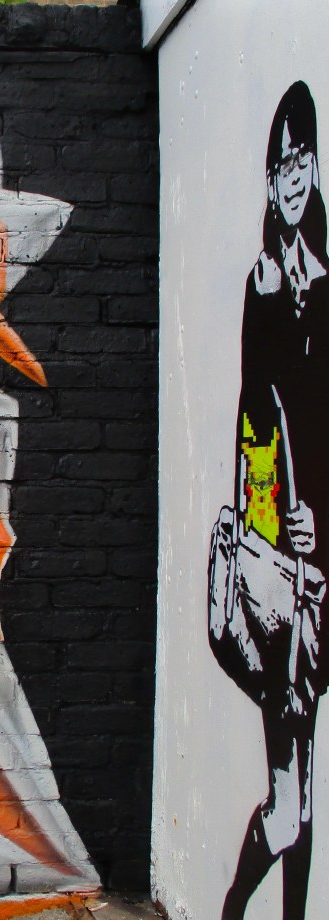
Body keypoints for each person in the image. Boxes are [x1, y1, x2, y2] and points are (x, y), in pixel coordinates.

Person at [217, 81, 329, 920]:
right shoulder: (262, 284)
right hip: (277, 557)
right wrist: (267, 522)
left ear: (315, 170)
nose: (292, 179)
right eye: (281, 165)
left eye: (303, 163)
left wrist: (318, 518)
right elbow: (256, 417)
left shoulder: (325, 284)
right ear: (267, 179)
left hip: (319, 550)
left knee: (305, 778)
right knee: (291, 787)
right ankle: (232, 908)